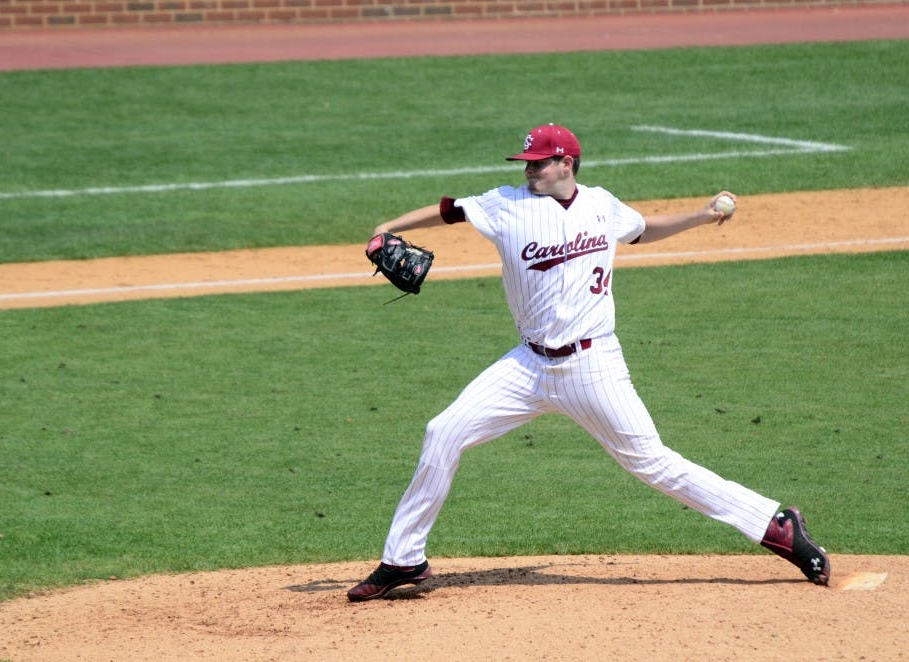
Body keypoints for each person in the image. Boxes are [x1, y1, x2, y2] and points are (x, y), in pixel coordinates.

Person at [348, 124, 830, 602]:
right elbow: (447, 209)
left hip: (593, 365)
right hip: (527, 366)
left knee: (654, 465)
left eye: (539, 162)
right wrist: (386, 229)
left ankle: (776, 525)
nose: (531, 169)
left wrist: (701, 216)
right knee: (444, 431)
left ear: (567, 164)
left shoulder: (602, 204)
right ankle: (404, 557)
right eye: (527, 163)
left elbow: (643, 230)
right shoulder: (504, 204)